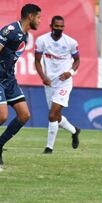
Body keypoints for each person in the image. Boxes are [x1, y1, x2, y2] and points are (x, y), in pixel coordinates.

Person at [0, 4, 41, 169]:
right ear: (30, 16)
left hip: (9, 80)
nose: (39, 21)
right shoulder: (10, 30)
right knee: (2, 116)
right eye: (38, 17)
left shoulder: (26, 36)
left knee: (24, 115)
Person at [35, 16, 81, 154]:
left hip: (64, 83)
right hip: (49, 83)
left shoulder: (71, 42)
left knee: (52, 115)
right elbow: (37, 61)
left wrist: (70, 72)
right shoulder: (42, 40)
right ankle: (74, 130)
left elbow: (77, 60)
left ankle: (49, 148)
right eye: (57, 26)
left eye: (62, 26)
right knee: (55, 115)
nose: (59, 29)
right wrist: (43, 77)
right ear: (51, 26)